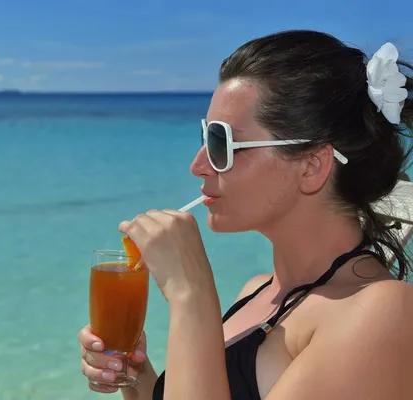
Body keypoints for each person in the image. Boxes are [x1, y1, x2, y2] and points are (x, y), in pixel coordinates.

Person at [78, 29, 413, 400]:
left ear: (310, 166)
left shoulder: (381, 312)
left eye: (221, 143)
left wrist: (191, 295)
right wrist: (137, 377)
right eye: (205, 137)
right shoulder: (257, 292)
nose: (198, 165)